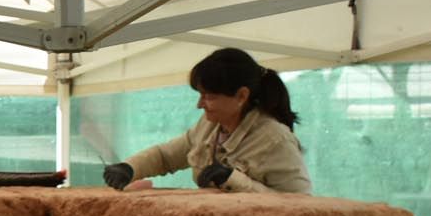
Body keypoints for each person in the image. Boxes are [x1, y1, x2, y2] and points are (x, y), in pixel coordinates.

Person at [102, 47, 311, 194]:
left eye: (209, 96)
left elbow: (302, 205)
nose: (200, 105)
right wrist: (129, 168)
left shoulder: (276, 140)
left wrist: (234, 181)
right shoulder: (209, 125)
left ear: (241, 96)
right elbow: (166, 156)